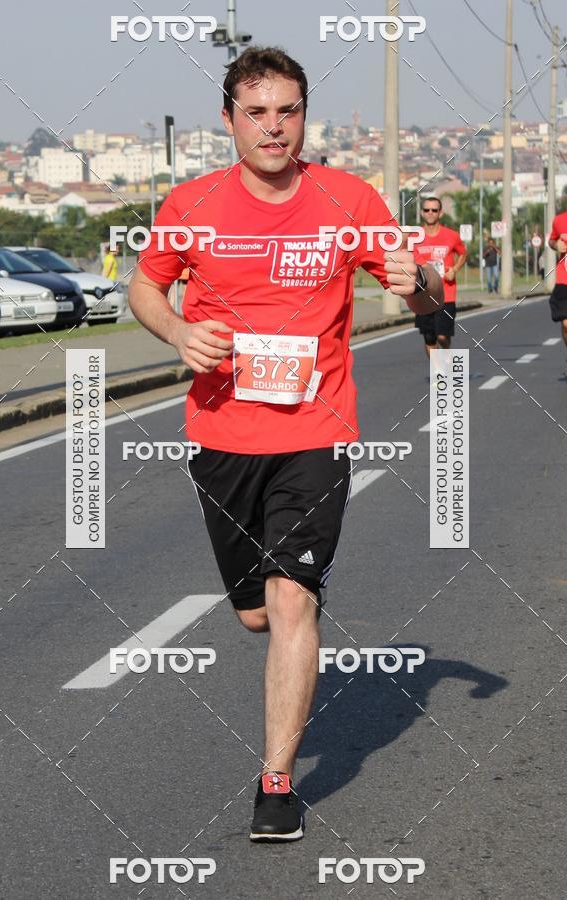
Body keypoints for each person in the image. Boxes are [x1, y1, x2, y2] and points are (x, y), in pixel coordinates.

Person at [128, 46, 442, 842]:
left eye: (289, 110)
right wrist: (177, 332)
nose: (275, 127)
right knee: (254, 615)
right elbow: (145, 285)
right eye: (258, 111)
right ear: (229, 119)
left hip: (317, 428)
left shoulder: (347, 198)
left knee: (292, 596)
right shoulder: (193, 203)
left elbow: (421, 291)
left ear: (306, 116)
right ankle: (271, 628)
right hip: (222, 433)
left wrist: (420, 282)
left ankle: (276, 784)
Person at [413, 196, 467, 358]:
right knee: (429, 338)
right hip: (422, 295)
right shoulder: (415, 237)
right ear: (422, 213)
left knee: (442, 337)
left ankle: (448, 355)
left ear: (440, 213)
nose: (430, 213)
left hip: (446, 294)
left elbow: (463, 254)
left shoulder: (451, 235)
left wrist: (455, 269)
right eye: (426, 210)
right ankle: (438, 374)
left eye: (434, 210)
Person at [547, 210, 567, 378]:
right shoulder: (559, 220)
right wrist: (556, 245)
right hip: (564, 280)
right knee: (566, 324)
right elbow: (551, 241)